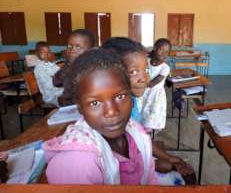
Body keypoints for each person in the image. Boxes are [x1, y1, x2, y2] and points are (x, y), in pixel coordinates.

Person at [44, 49, 157, 185]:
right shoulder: (77, 163)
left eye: (120, 96)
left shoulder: (136, 131)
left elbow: (150, 180)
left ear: (130, 94)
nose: (111, 112)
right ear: (80, 107)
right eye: (95, 103)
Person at [102, 37, 195, 183]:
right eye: (133, 72)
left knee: (169, 165)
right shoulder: (113, 111)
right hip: (124, 168)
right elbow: (119, 158)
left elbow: (138, 136)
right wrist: (151, 162)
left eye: (145, 69)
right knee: (185, 176)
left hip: (135, 154)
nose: (144, 77)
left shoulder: (130, 101)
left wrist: (168, 157)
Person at [53, 29, 95, 106]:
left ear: (90, 50)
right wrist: (69, 66)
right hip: (68, 108)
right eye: (69, 46)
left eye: (78, 47)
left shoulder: (93, 68)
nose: (72, 50)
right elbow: (56, 83)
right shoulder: (68, 65)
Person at [142, 38, 171, 130]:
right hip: (142, 94)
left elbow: (151, 84)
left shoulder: (165, 68)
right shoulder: (145, 61)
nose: (163, 54)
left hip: (155, 97)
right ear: (154, 48)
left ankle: (147, 138)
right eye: (161, 50)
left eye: (166, 52)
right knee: (140, 117)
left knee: (150, 121)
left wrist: (136, 83)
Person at [33, 42, 63, 106]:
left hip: (60, 91)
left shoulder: (52, 65)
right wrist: (60, 80)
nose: (46, 54)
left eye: (48, 52)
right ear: (38, 54)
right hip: (51, 96)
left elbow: (61, 74)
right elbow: (49, 86)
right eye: (43, 52)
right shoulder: (39, 68)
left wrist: (55, 78)